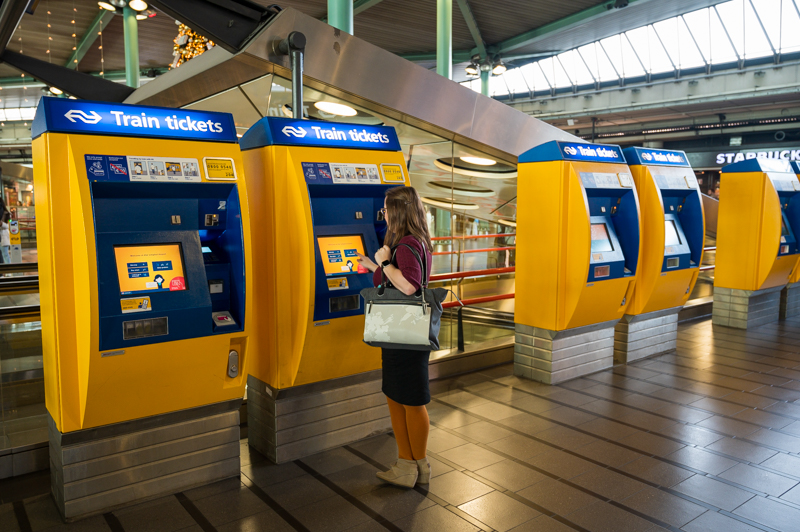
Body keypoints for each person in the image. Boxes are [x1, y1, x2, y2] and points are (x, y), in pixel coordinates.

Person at [357, 186, 434, 488]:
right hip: (407, 331)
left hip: (404, 333)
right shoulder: (419, 243)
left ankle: (415, 464)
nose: (384, 215)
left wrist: (385, 262)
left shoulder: (404, 246)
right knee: (399, 397)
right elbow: (404, 277)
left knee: (410, 401)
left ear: (398, 212)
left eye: (386, 210)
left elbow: (410, 286)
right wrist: (374, 266)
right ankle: (410, 464)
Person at [0, 198, 10, 265]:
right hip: (2, 237)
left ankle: (8, 272)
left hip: (4, 237)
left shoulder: (6, 214)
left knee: (5, 254)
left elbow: (8, 226)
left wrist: (1, 224)